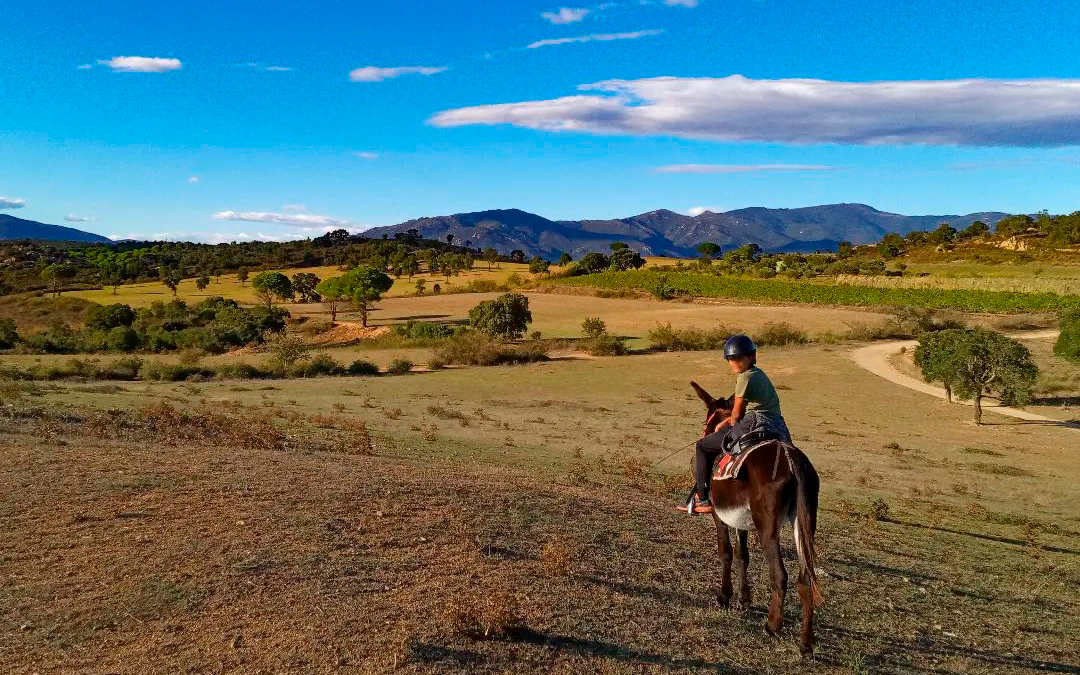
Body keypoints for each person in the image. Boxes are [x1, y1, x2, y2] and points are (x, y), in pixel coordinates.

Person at [681, 334, 792, 515]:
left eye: (739, 358)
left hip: (756, 422)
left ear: (751, 357)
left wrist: (725, 423)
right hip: (778, 424)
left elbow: (738, 414)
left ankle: (703, 499)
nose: (735, 362)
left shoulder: (745, 378)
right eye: (731, 359)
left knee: (702, 446)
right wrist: (726, 420)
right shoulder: (759, 373)